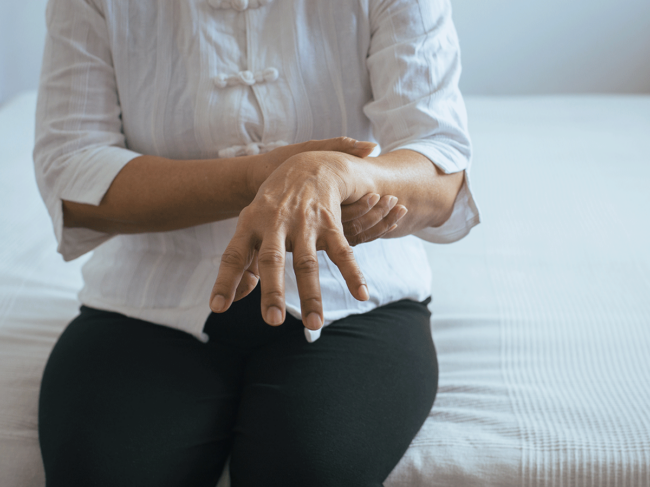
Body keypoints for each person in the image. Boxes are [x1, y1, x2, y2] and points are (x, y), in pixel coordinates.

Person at [34, 0, 480, 485]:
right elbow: (70, 172)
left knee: (312, 474)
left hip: (354, 300)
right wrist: (264, 177)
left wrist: (335, 174)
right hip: (145, 303)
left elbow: (441, 175)